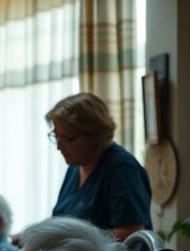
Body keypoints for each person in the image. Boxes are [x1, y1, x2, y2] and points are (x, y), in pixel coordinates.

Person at [46, 92, 152, 241]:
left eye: (66, 138)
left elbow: (130, 233)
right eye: (56, 137)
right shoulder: (75, 168)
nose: (58, 146)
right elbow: (62, 221)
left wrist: (73, 244)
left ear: (94, 134)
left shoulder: (122, 169)